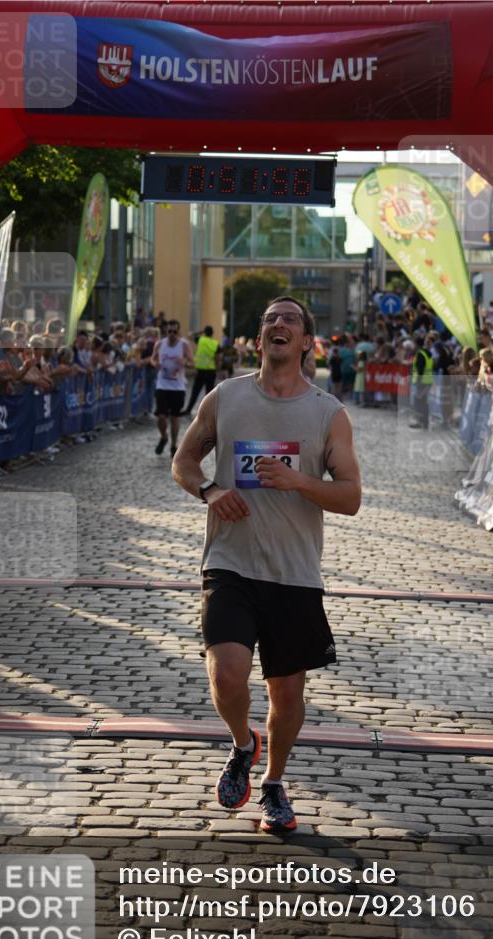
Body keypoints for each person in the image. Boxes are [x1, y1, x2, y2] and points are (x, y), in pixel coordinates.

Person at [172, 295, 361, 834]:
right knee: (227, 673)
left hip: (294, 571)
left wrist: (298, 479)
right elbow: (183, 462)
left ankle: (274, 783)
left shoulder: (328, 413)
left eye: (290, 319)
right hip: (229, 561)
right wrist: (209, 491)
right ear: (260, 339)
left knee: (286, 692)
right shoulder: (225, 397)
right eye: (270, 319)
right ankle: (242, 744)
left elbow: (350, 497)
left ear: (306, 343)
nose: (279, 323)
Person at [152, 319, 194, 457]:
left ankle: (174, 445)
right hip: (162, 385)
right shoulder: (160, 344)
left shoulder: (184, 345)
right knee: (161, 416)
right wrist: (155, 364)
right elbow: (153, 359)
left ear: (178, 332)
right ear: (166, 331)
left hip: (178, 387)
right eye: (169, 331)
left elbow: (192, 363)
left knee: (174, 418)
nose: (172, 334)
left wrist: (184, 363)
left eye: (175, 331)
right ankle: (164, 437)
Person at [183, 325, 219, 415]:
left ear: (204, 332)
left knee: (195, 392)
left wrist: (200, 332)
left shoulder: (200, 340)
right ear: (212, 334)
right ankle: (210, 413)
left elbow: (189, 335)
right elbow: (218, 359)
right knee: (209, 394)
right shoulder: (215, 343)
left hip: (200, 371)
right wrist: (218, 370)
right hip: (211, 372)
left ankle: (188, 410)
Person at [409, 333, 433, 428]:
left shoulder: (420, 354)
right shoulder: (427, 353)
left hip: (421, 382)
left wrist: (418, 381)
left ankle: (420, 421)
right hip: (427, 380)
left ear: (416, 344)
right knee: (423, 402)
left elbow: (420, 369)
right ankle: (424, 422)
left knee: (418, 402)